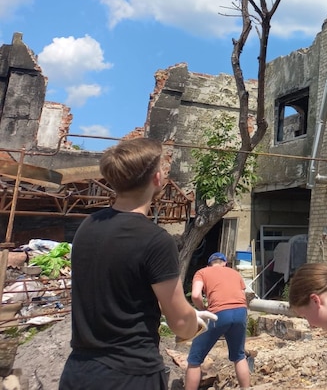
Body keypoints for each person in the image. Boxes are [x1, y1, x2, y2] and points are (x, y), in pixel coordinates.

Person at [60, 138, 217, 390]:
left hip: (79, 371)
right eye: (163, 169)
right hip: (130, 375)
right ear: (156, 178)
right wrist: (192, 319)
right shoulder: (155, 240)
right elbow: (179, 324)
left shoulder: (88, 226)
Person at [184, 252, 252, 390]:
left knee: (194, 359)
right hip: (240, 311)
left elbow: (196, 295)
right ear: (224, 263)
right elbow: (242, 295)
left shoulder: (202, 272)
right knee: (239, 356)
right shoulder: (235, 273)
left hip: (218, 313)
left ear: (209, 264)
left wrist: (203, 309)